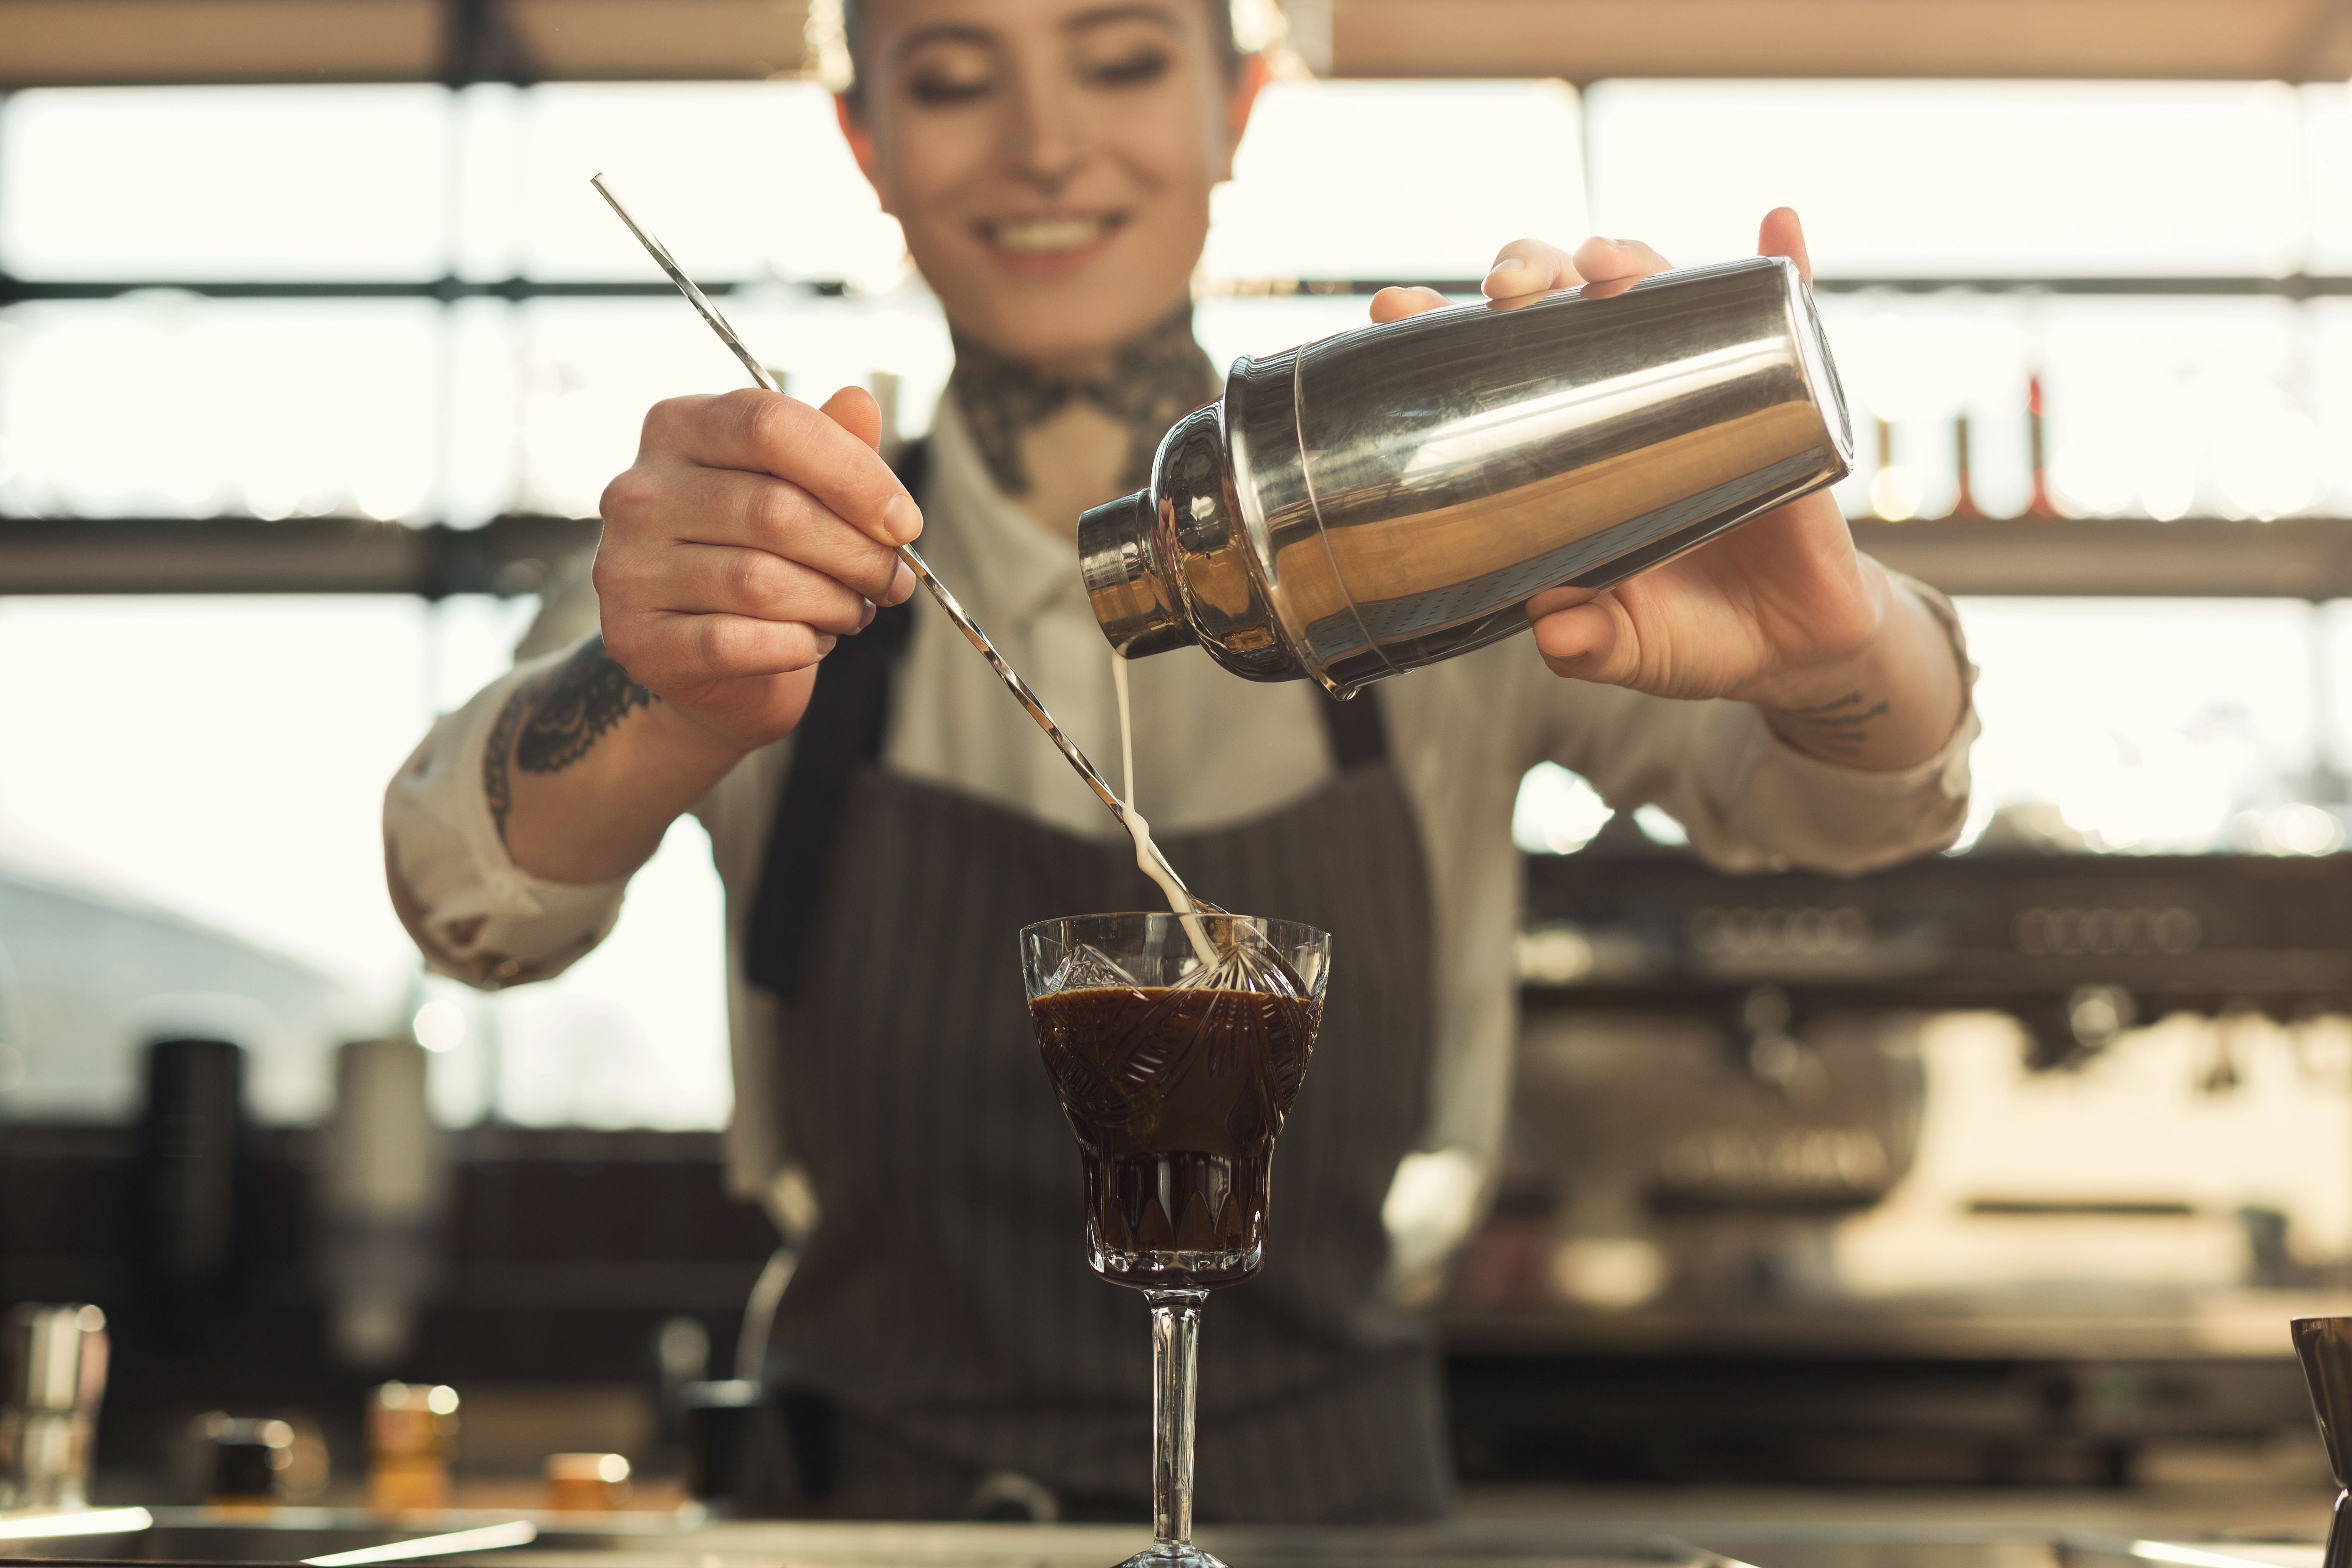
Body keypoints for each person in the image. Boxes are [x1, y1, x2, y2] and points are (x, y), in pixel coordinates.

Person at [385, 0, 1977, 1525]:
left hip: (1331, 1516)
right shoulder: (763, 541)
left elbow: (1864, 812)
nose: (1046, 146)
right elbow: (466, 903)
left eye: (1120, 62)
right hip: (873, 1515)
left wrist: (1838, 644)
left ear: (1238, 106)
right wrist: (659, 690)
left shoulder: (1436, 521)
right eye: (954, 79)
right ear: (864, 136)